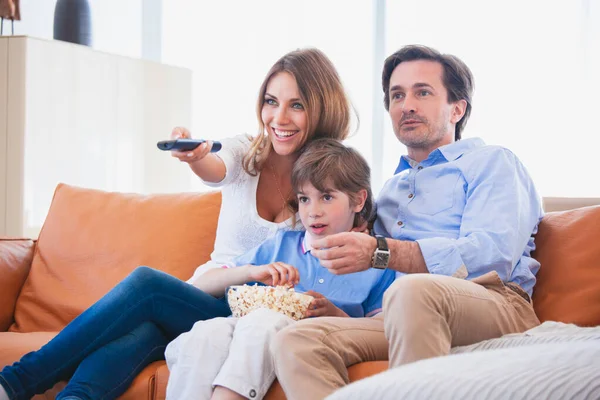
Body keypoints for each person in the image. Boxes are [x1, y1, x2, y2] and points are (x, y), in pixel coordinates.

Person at [0, 48, 353, 400]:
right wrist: (196, 157)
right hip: (208, 291)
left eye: (297, 105)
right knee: (146, 333)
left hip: (257, 312)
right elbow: (216, 166)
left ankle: (16, 381)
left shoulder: (331, 178)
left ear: (321, 108)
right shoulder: (247, 152)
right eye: (271, 101)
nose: (278, 117)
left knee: (147, 286)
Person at [271, 45, 544, 400]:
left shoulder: (493, 163)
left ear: (457, 108)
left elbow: (493, 256)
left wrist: (383, 251)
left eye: (423, 92)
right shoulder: (391, 189)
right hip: (399, 312)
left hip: (494, 301)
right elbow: (372, 269)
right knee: (297, 340)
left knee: (411, 290)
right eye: (397, 95)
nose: (407, 105)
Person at [165, 138, 396, 400]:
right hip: (247, 332)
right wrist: (251, 271)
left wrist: (335, 314)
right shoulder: (280, 246)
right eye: (304, 199)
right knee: (209, 332)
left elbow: (383, 332)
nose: (313, 212)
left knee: (263, 320)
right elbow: (199, 286)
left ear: (358, 200)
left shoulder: (378, 263)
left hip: (304, 336)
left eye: (327, 197)